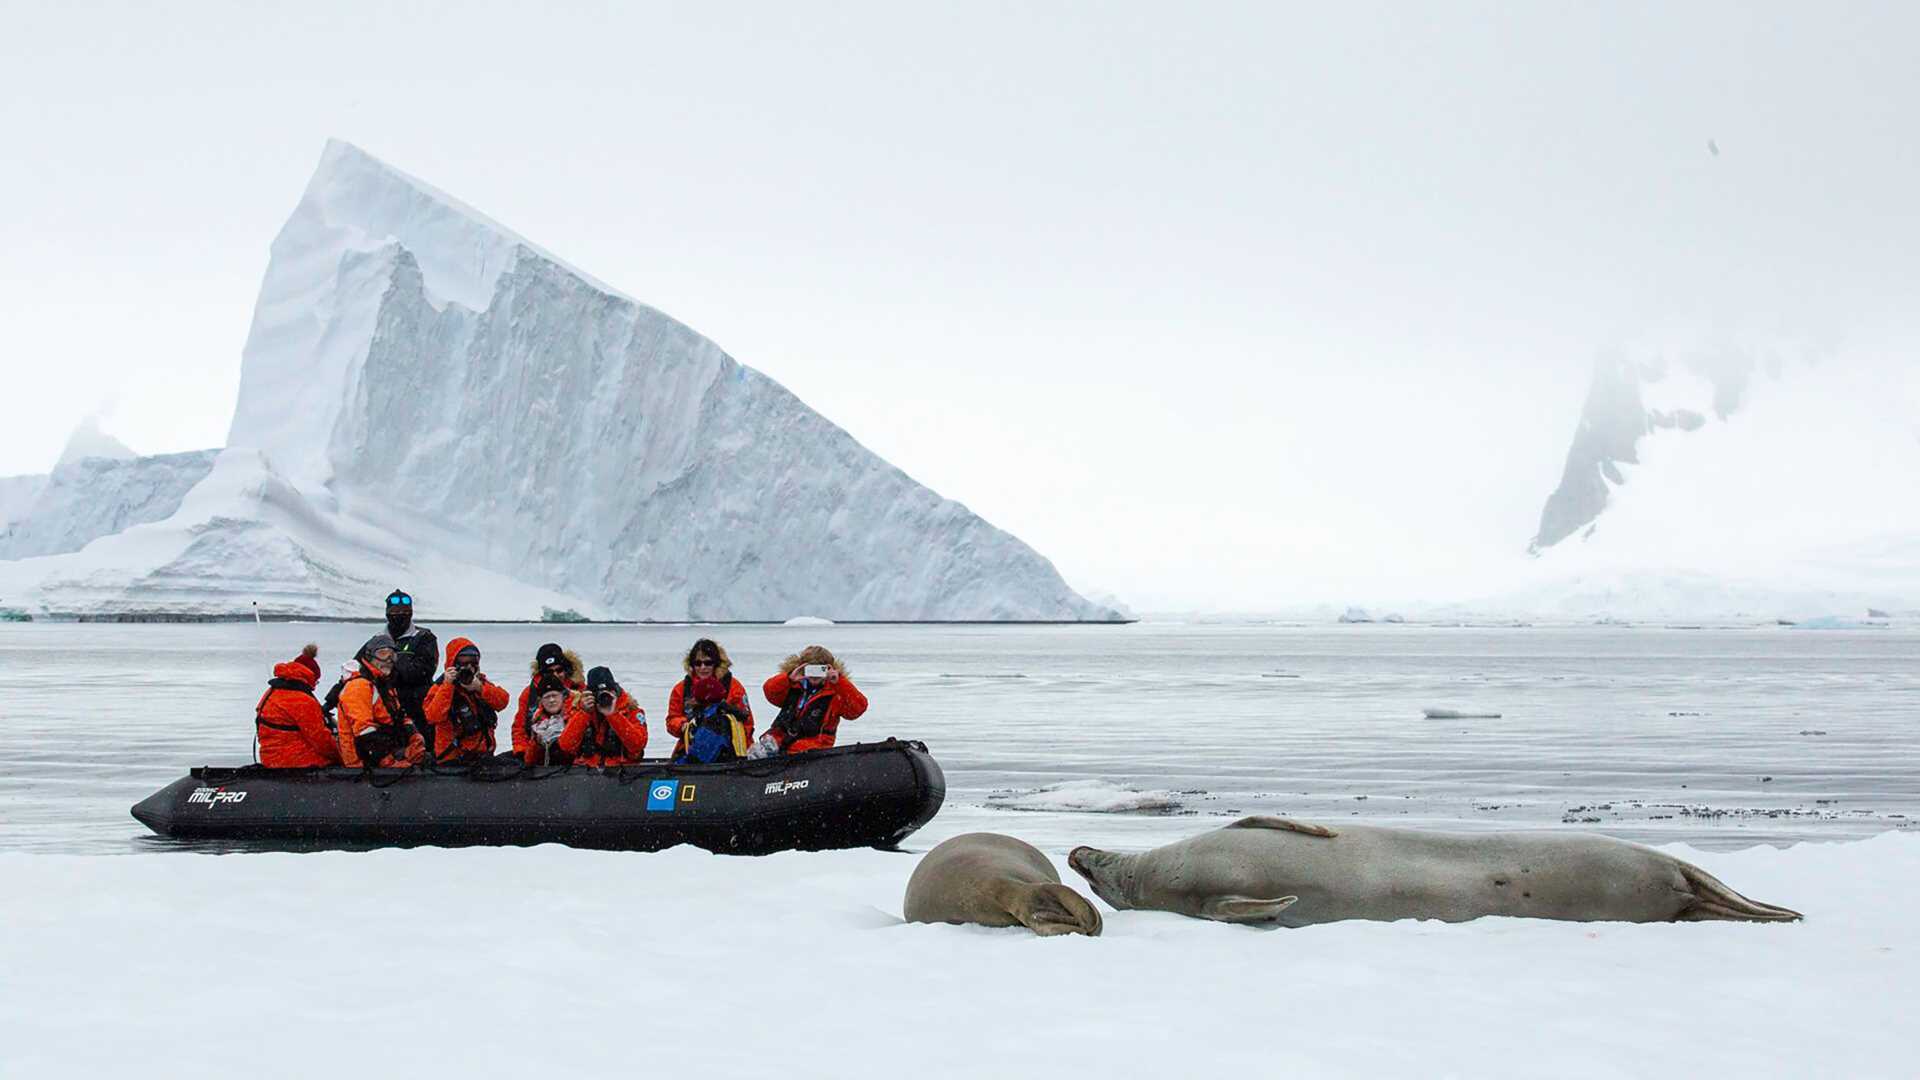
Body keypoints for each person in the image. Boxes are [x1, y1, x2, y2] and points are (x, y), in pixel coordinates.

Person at [750, 645, 867, 758]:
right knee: (756, 753)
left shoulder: (836, 692)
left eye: (820, 670)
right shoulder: (792, 685)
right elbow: (770, 692)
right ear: (801, 668)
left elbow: (857, 709)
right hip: (779, 739)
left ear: (829, 669)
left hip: (814, 747)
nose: (814, 675)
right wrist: (787, 678)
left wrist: (839, 682)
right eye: (810, 669)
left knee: (798, 753)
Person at [336, 633, 426, 768]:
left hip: (385, 753)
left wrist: (414, 736)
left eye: (392, 654)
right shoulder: (359, 686)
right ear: (370, 657)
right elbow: (364, 732)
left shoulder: (384, 684)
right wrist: (391, 763)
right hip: (363, 763)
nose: (388, 659)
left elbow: (398, 716)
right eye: (383, 654)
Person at [665, 638, 754, 763]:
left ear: (716, 664)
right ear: (691, 665)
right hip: (691, 749)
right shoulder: (681, 689)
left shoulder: (733, 687)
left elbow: (747, 723)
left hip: (730, 752)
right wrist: (684, 726)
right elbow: (671, 720)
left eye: (708, 663)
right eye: (698, 663)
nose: (703, 667)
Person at [423, 637, 510, 763]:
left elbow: (503, 702)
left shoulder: (480, 683)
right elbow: (433, 716)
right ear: (453, 664)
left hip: (482, 756)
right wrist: (448, 686)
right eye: (463, 662)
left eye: (473, 662)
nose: (469, 667)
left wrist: (480, 688)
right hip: (452, 759)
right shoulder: (440, 688)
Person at [254, 643, 342, 768]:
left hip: (270, 759)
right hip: (296, 761)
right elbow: (321, 740)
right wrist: (342, 756)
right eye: (316, 681)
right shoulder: (303, 701)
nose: (315, 685)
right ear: (309, 677)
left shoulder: (271, 692)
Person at [558, 666, 648, 766]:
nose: (604, 698)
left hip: (622, 772)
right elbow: (566, 746)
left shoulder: (631, 711)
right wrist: (584, 713)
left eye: (608, 693)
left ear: (616, 692)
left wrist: (613, 715)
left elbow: (638, 745)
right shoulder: (580, 711)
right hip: (586, 772)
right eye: (598, 694)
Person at [381, 589, 439, 743]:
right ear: (387, 614)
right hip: (389, 707)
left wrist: (394, 658)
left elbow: (422, 672)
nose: (399, 616)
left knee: (425, 745)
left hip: (419, 707)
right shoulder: (378, 641)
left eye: (404, 612)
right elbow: (359, 667)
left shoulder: (424, 637)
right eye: (395, 613)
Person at [513, 642, 583, 761]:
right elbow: (519, 728)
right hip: (538, 751)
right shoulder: (529, 694)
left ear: (565, 670)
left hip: (574, 755)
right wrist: (522, 753)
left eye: (559, 670)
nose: (555, 675)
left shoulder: (580, 691)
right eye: (549, 672)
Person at [517, 675, 574, 765]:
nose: (551, 700)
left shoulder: (575, 714)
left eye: (554, 696)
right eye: (547, 697)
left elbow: (569, 748)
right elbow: (530, 760)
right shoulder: (537, 721)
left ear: (563, 697)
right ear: (541, 701)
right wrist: (536, 743)